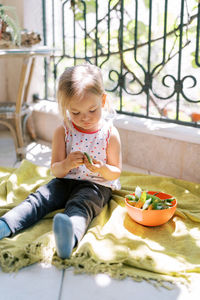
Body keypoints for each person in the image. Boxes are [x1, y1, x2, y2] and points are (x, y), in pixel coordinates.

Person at [0, 64, 122, 259]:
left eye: (92, 110)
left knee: (81, 205)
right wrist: (66, 164)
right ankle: (5, 225)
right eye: (75, 113)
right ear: (66, 109)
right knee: (39, 199)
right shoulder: (63, 130)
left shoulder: (109, 134)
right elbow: (56, 170)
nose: (85, 118)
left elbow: (115, 172)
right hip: (65, 180)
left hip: (96, 185)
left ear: (103, 100)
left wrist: (102, 168)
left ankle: (69, 238)